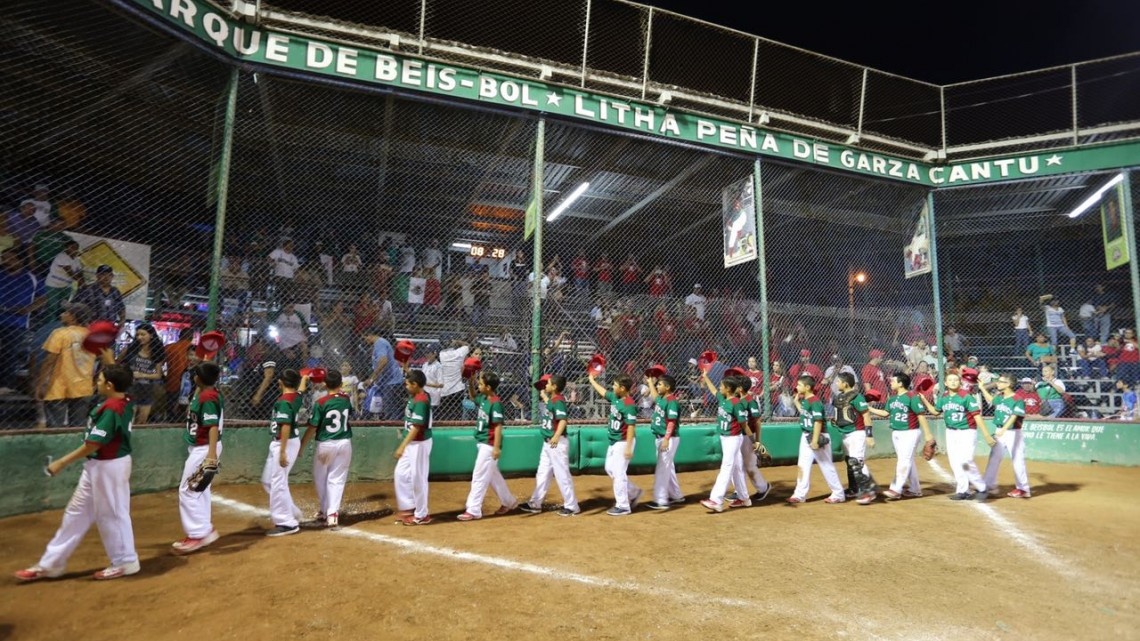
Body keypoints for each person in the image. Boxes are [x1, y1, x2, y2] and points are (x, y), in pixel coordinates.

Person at [14, 364, 140, 582]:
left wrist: (61, 462)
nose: (96, 382)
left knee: (112, 514)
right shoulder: (124, 398)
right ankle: (51, 564)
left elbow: (93, 444)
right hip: (99, 465)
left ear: (110, 385)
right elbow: (119, 374)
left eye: (100, 380)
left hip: (109, 465)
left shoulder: (112, 408)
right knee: (76, 513)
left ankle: (125, 561)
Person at [172, 362, 224, 555]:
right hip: (202, 447)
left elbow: (211, 426)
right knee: (200, 489)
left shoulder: (208, 397)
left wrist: (211, 455)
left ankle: (196, 535)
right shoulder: (206, 393)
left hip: (204, 448)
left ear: (199, 379)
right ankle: (204, 529)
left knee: (187, 489)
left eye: (196, 375)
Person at [918, 372, 992, 501]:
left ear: (960, 383)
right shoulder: (944, 397)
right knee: (955, 462)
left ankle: (982, 487)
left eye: (956, 380)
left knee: (966, 460)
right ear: (945, 383)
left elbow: (976, 416)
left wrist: (986, 435)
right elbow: (936, 412)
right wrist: (924, 400)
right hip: (951, 432)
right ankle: (963, 490)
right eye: (950, 380)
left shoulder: (966, 396)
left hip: (967, 431)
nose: (953, 382)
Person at [458, 370, 518, 521]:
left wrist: (496, 447)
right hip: (483, 443)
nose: (479, 385)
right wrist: (471, 381)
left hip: (489, 444)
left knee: (479, 476)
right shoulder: (484, 398)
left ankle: (473, 509)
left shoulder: (495, 403)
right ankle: (509, 502)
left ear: (489, 387)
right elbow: (473, 397)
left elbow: (498, 426)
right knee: (492, 476)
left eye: (481, 384)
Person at [299, 369, 353, 528]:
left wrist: (302, 445)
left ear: (324, 384)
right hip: (344, 443)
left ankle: (325, 510)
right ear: (341, 384)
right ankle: (332, 514)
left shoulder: (320, 403)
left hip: (326, 444)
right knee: (336, 479)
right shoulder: (346, 399)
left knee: (321, 477)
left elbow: (313, 426)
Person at [520, 374, 580, 517]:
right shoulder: (553, 400)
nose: (545, 385)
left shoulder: (559, 401)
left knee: (562, 474)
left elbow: (563, 420)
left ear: (554, 387)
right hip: (548, 443)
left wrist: (556, 436)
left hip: (556, 443)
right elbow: (550, 407)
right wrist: (543, 394)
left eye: (547, 384)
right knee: (542, 473)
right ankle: (535, 503)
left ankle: (572, 506)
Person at [587, 370, 642, 516]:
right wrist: (592, 381)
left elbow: (631, 426)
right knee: (610, 468)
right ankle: (633, 491)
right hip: (614, 441)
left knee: (618, 473)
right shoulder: (616, 398)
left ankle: (623, 505)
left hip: (624, 441)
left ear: (623, 389)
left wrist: (629, 447)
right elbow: (603, 392)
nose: (613, 387)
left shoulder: (629, 404)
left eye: (615, 385)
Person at [37, 303, 101, 427]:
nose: (62, 315)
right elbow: (102, 359)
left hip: (59, 384)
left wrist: (41, 383)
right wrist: (95, 380)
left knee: (55, 425)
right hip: (83, 385)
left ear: (73, 317)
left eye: (66, 312)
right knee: (78, 426)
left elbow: (50, 360)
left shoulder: (60, 333)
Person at [698, 373, 753, 513]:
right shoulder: (723, 398)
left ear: (728, 389)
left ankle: (716, 500)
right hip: (725, 437)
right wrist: (706, 377)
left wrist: (754, 442)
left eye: (722, 386)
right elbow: (713, 391)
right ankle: (744, 498)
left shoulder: (736, 403)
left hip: (733, 438)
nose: (719, 387)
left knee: (727, 466)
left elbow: (744, 424)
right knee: (737, 468)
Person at [262, 369, 307, 537]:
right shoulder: (295, 397)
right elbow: (301, 390)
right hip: (284, 442)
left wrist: (282, 451)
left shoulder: (284, 401)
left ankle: (286, 523)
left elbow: (286, 425)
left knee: (278, 482)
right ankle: (291, 511)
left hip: (284, 443)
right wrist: (304, 379)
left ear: (280, 382)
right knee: (268, 481)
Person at [787, 375, 846, 504]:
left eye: (799, 385)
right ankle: (799, 494)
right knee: (802, 465)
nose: (796, 387)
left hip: (818, 435)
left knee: (826, 465)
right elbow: (804, 413)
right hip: (806, 436)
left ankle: (838, 493)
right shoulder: (806, 400)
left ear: (807, 387)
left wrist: (814, 441)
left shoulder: (814, 401)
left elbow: (818, 421)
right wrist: (796, 402)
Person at [879, 373, 935, 500]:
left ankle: (896, 488)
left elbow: (921, 415)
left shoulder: (912, 397)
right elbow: (885, 413)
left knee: (904, 460)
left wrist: (928, 435)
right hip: (896, 433)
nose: (891, 382)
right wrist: (868, 409)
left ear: (900, 383)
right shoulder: (892, 398)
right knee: (907, 460)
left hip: (910, 433)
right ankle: (915, 489)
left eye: (893, 380)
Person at [980, 373, 1031, 499]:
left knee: (1017, 460)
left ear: (1008, 384)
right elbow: (991, 400)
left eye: (1001, 381)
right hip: (1000, 431)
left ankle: (1023, 489)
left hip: (1013, 433)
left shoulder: (1017, 399)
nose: (998, 383)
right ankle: (988, 485)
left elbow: (1015, 416)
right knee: (994, 458)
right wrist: (982, 388)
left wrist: (1004, 428)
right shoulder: (1001, 397)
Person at [832, 372, 879, 505]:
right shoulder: (840, 397)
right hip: (845, 433)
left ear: (845, 383)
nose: (836, 383)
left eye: (838, 381)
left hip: (857, 433)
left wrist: (869, 435)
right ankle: (854, 489)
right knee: (849, 462)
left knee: (857, 463)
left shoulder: (857, 397)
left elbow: (866, 415)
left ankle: (867, 492)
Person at [393, 368, 433, 526]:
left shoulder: (421, 400)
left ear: (416, 385)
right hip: (411, 443)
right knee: (400, 473)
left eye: (408, 384)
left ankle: (422, 514)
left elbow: (416, 427)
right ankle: (408, 507)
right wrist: (406, 365)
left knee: (419, 478)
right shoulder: (415, 395)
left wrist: (402, 446)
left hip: (420, 443)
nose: (406, 386)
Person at [0, 250, 43, 383]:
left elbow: (43, 298)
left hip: (17, 323)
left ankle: (5, 386)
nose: (6, 262)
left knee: (9, 355)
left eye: (10, 259)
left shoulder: (31, 278)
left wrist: (27, 309)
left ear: (20, 260)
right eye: (4, 259)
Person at [645, 372, 685, 511]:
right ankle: (676, 495)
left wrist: (667, 439)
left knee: (662, 469)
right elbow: (656, 397)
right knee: (668, 467)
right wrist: (650, 382)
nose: (658, 386)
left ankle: (661, 500)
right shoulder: (663, 398)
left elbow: (672, 422)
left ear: (667, 387)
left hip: (668, 438)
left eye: (660, 384)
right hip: (661, 437)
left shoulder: (672, 401)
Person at [117, 323, 165, 424]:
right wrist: (127, 373)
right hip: (130, 387)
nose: (139, 337)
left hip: (146, 389)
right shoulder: (130, 349)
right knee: (129, 418)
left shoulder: (157, 351)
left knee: (142, 420)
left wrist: (141, 374)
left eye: (143, 334)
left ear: (151, 335)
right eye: (138, 335)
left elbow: (158, 374)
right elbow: (118, 363)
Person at [735, 376, 771, 502]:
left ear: (740, 388)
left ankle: (763, 488)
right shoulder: (737, 400)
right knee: (737, 464)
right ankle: (738, 491)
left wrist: (758, 442)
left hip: (749, 436)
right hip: (738, 436)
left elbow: (758, 422)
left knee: (749, 466)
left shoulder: (750, 401)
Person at [362, 328, 403, 420]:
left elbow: (383, 361)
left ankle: (392, 427)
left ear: (370, 335)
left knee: (391, 409)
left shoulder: (380, 343)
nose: (365, 340)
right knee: (389, 408)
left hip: (392, 381)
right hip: (387, 381)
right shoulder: (378, 344)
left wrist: (372, 378)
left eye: (365, 338)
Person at [43, 239, 83, 321]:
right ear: (66, 248)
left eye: (76, 247)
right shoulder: (61, 256)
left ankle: (59, 323)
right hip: (53, 285)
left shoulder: (77, 260)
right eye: (72, 247)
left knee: (63, 307)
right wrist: (80, 281)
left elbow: (80, 273)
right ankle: (49, 325)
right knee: (52, 307)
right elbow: (70, 272)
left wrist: (81, 283)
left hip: (66, 286)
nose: (74, 249)